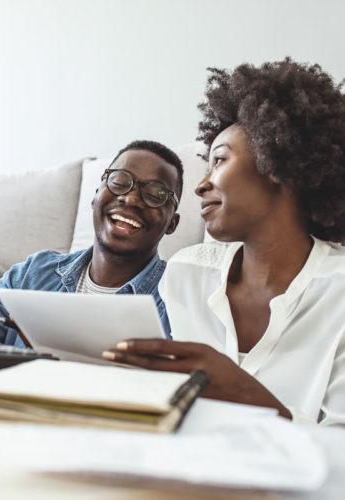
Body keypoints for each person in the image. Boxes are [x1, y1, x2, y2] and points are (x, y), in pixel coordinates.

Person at [103, 59, 345, 426]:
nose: (201, 186)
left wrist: (248, 395)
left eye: (219, 160)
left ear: (275, 161)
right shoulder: (187, 274)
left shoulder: (339, 293)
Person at [0, 140, 182, 345]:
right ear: (96, 194)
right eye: (120, 181)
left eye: (156, 193)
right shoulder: (34, 273)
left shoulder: (179, 295)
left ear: (172, 223)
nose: (132, 198)